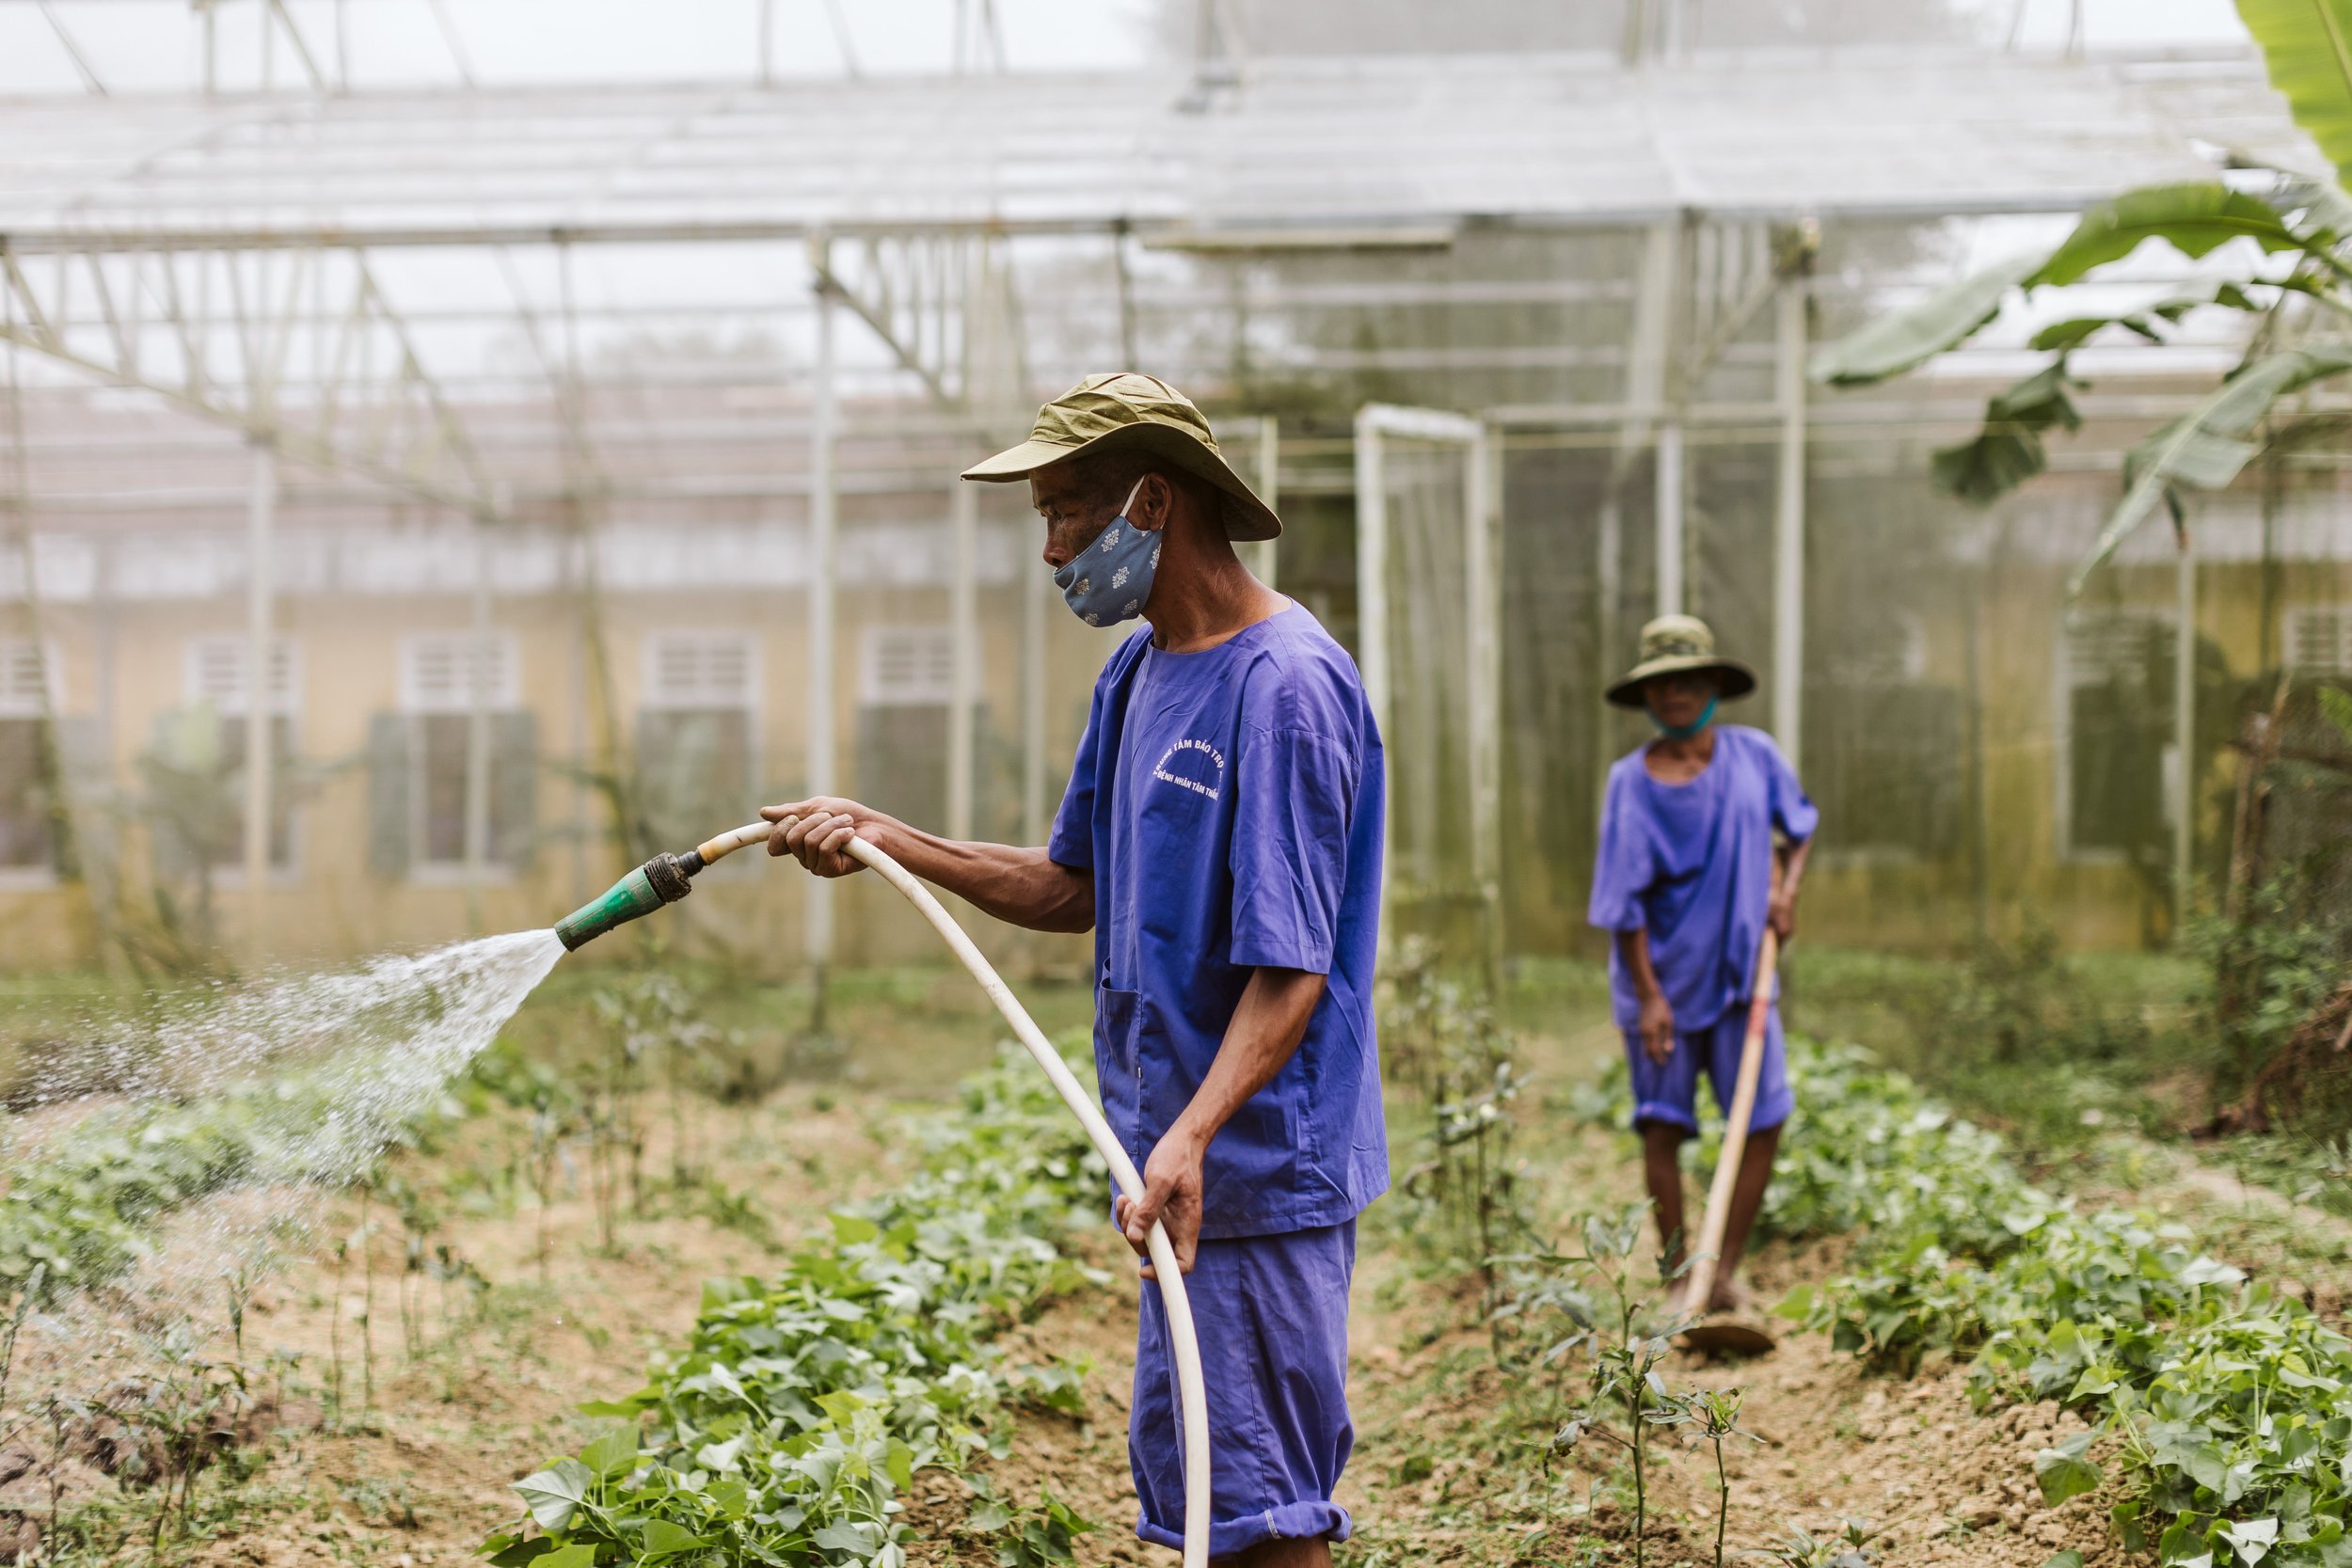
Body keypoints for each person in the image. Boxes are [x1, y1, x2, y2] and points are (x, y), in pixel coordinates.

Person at [762, 372, 1386, 1568]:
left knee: (1265, 1515)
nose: (1051, 551)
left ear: (1152, 501)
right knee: (1208, 1494)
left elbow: (1294, 970)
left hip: (1251, 1168)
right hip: (1174, 1159)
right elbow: (1072, 885)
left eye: (1066, 513)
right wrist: (890, 836)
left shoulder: (1286, 687)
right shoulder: (1140, 673)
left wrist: (1195, 1133)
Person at [1587, 614, 1817, 1315]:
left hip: (1746, 977)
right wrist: (1652, 997)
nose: (1676, 694)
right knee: (1663, 1125)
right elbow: (1623, 904)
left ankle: (1724, 1272)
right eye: (1662, 684)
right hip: (1661, 985)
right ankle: (1681, 1275)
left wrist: (1785, 891)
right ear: (1648, 698)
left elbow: (1798, 828)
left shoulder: (1756, 757)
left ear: (1713, 684)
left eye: (1687, 679)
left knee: (1763, 1118)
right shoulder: (1631, 783)